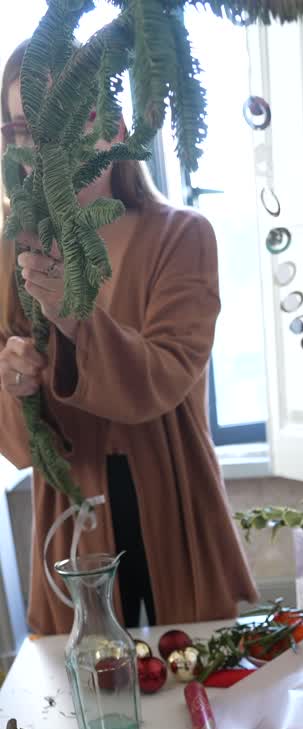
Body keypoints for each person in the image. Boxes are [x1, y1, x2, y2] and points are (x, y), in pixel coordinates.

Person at [0, 42, 257, 632]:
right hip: (70, 505)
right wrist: (16, 382)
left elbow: (165, 376)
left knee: (191, 668)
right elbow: (18, 440)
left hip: (171, 498)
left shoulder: (182, 238)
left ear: (113, 128)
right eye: (19, 128)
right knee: (87, 688)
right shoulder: (13, 252)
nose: (37, 147)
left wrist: (75, 317)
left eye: (61, 121)